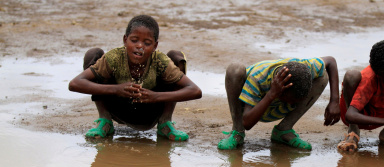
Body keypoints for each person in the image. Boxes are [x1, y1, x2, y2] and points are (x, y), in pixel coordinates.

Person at [69, 15, 202, 140]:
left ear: (155, 46)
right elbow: (75, 83)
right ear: (125, 40)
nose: (139, 46)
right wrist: (116, 89)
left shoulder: (159, 61)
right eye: (134, 40)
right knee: (93, 54)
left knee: (176, 56)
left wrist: (155, 97)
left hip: (151, 112)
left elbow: (195, 91)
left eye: (147, 43)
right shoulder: (114, 58)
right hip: (118, 109)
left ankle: (165, 123)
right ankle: (105, 121)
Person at [217, 56, 341, 150]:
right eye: (291, 101)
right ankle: (237, 133)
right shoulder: (258, 78)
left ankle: (283, 130)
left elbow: (330, 61)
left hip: (277, 105)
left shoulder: (306, 67)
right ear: (281, 93)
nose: (293, 104)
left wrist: (334, 101)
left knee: (323, 76)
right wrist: (271, 94)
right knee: (235, 69)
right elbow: (247, 123)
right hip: (253, 108)